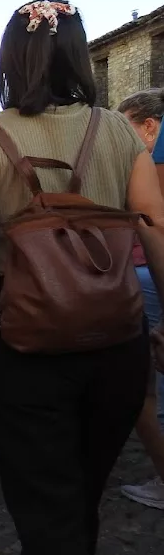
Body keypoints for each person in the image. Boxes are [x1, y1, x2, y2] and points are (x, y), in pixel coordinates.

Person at [0, 0, 164, 555]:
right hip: (114, 341)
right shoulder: (119, 132)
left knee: (46, 509)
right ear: (77, 56)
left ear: (12, 59)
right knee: (78, 497)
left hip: (27, 342)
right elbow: (154, 222)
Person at [114, 89, 164, 508]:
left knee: (145, 381)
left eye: (123, 127)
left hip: (147, 272)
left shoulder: (154, 158)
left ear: (148, 126)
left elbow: (153, 222)